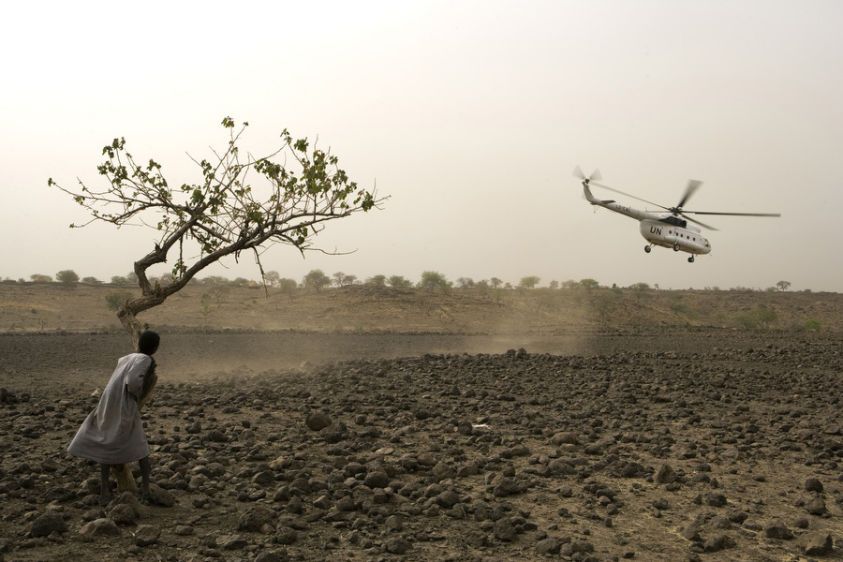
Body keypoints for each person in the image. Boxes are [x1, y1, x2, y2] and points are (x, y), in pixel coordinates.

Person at [68, 330, 160, 502]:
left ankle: (104, 489)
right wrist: (138, 395)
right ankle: (146, 490)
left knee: (106, 442)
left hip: (108, 401)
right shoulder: (145, 359)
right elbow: (132, 382)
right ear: (155, 347)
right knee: (141, 447)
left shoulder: (127, 357)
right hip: (123, 404)